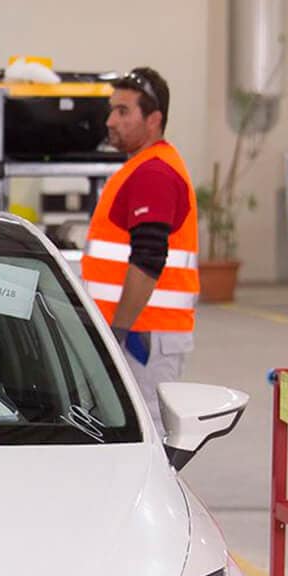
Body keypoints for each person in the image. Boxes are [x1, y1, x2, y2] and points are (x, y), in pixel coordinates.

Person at [79, 67, 199, 428]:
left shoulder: (154, 173)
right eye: (112, 110)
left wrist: (118, 332)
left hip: (140, 336)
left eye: (124, 111)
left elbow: (148, 258)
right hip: (140, 331)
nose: (111, 121)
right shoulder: (142, 168)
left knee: (147, 433)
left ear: (154, 120)